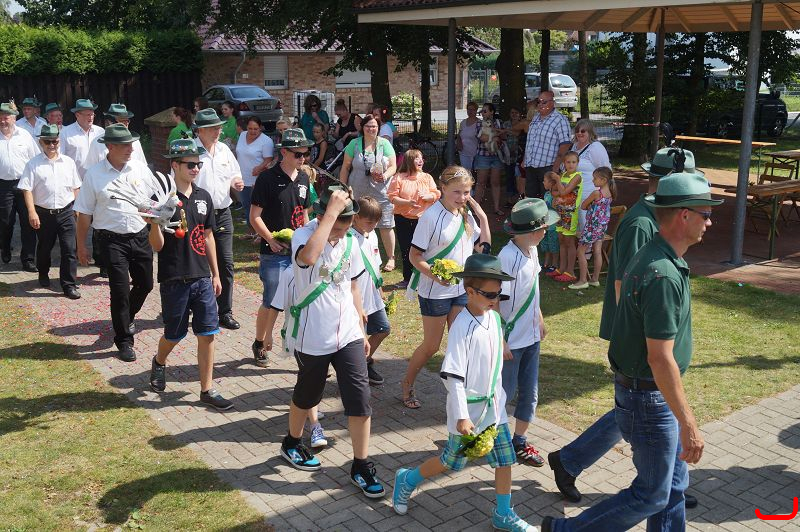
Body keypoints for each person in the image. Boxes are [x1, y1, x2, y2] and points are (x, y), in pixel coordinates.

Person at [540, 170, 719, 532]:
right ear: (684, 215)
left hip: (647, 393)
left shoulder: (656, 255)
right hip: (650, 399)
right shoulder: (663, 274)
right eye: (705, 213)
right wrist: (688, 423)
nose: (710, 222)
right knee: (653, 494)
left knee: (672, 487)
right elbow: (659, 357)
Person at [392, 253, 538, 532]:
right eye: (489, 294)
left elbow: (494, 354)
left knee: (505, 460)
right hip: (469, 411)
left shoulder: (493, 318)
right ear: (469, 292)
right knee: (450, 462)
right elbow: (454, 375)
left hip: (494, 409)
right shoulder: (462, 327)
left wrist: (503, 346)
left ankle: (503, 513)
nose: (495, 299)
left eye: (499, 293)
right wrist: (461, 415)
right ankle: (407, 479)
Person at [279, 183, 385, 501]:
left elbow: (352, 286)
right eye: (337, 223)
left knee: (360, 400)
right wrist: (330, 217)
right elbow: (310, 258)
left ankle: (361, 465)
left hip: (348, 333)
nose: (341, 231)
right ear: (323, 216)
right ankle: (292, 442)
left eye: (346, 223)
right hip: (313, 334)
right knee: (307, 395)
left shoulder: (351, 240)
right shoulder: (303, 235)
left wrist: (361, 329)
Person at [147, 137, 233, 411]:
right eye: (190, 164)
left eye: (198, 164)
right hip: (174, 277)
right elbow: (157, 246)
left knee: (208, 334)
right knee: (174, 334)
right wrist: (155, 223)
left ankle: (207, 389)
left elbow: (207, 237)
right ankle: (159, 361)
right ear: (175, 165)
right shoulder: (162, 199)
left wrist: (215, 274)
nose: (196, 169)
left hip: (202, 278)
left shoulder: (203, 197)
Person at [401, 166, 490, 409]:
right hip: (434, 292)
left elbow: (483, 248)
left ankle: (462, 394)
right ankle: (407, 383)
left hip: (461, 291)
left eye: (466, 192)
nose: (462, 197)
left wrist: (482, 217)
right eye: (457, 192)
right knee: (431, 346)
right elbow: (414, 256)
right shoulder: (430, 217)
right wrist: (436, 276)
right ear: (442, 188)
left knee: (462, 344)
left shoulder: (466, 215)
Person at [75, 124, 156, 362]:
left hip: (139, 235)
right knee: (119, 291)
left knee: (146, 284)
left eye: (131, 144)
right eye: (124, 145)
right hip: (111, 240)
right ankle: (124, 340)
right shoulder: (94, 174)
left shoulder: (140, 169)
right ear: (109, 146)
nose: (130, 149)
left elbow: (154, 200)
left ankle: (125, 317)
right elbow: (84, 213)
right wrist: (81, 245)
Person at [499, 198, 559, 468]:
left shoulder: (532, 250)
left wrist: (540, 317)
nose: (547, 231)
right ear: (533, 232)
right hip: (512, 340)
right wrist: (501, 339)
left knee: (530, 393)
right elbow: (494, 302)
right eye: (544, 228)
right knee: (504, 392)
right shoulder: (507, 258)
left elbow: (531, 289)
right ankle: (491, 436)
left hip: (531, 336)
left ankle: (519, 441)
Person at [249, 128, 313, 367]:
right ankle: (260, 342)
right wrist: (270, 239)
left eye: (305, 154)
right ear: (283, 152)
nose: (302, 159)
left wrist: (309, 241)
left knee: (300, 301)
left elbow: (304, 214)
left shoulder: (304, 178)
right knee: (271, 300)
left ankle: (301, 349)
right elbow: (254, 216)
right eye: (298, 154)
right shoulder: (266, 179)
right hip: (274, 253)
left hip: (298, 252)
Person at [259, 266, 329, 449]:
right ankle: (315, 427)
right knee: (310, 380)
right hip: (300, 336)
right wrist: (268, 334)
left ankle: (308, 409)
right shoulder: (290, 273)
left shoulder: (328, 268)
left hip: (326, 337)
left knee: (314, 379)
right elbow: (276, 306)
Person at [193, 108, 244, 330]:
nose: (218, 131)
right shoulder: (190, 150)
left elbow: (235, 173)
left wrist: (236, 182)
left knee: (226, 263)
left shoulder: (224, 150)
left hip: (222, 213)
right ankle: (199, 307)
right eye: (214, 128)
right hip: (197, 214)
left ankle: (225, 311)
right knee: (197, 264)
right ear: (200, 130)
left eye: (219, 127)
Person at [18, 124, 81, 299]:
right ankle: (43, 272)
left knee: (69, 249)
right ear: (41, 143)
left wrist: (78, 208)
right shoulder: (33, 164)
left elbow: (76, 186)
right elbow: (27, 189)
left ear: (59, 141)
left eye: (55, 141)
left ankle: (68, 285)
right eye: (48, 142)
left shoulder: (68, 162)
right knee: (45, 248)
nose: (52, 145)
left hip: (66, 212)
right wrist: (32, 212)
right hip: (44, 213)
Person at [338, 115, 397, 272]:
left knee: (386, 224)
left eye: (374, 126)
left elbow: (393, 166)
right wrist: (344, 187)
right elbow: (345, 167)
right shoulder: (354, 143)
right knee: (355, 221)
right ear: (362, 128)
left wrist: (385, 176)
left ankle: (391, 258)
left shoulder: (384, 144)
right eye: (368, 126)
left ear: (378, 128)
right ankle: (355, 254)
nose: (371, 129)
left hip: (381, 190)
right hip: (357, 189)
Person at [387, 149, 440, 289]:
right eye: (417, 158)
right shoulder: (399, 178)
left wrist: (428, 197)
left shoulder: (427, 177)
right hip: (402, 219)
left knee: (424, 249)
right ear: (409, 160)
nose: (421, 160)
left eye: (421, 157)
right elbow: (392, 197)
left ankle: (426, 278)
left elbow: (436, 194)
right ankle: (408, 279)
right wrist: (407, 203)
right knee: (406, 249)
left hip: (423, 219)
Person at [352, 195, 391, 386]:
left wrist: (380, 290)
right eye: (369, 222)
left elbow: (375, 265)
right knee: (357, 338)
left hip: (373, 294)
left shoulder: (372, 234)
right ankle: (354, 371)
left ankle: (364, 362)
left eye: (376, 221)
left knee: (383, 328)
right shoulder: (349, 238)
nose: (373, 225)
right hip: (357, 297)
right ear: (355, 218)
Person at [0, 100, 39, 271]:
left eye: (6, 117)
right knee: (5, 222)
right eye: (0, 117)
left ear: (14, 118)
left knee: (28, 222)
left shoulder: (25, 135)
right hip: (3, 185)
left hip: (24, 185)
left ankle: (28, 259)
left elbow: (35, 159)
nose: (3, 120)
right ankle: (5, 247)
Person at [570, 167, 615, 290]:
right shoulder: (610, 193)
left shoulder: (596, 193)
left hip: (591, 227)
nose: (593, 180)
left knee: (580, 251)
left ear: (603, 180)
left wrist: (590, 207)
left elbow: (583, 205)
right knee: (597, 251)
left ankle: (583, 280)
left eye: (595, 178)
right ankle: (595, 279)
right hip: (601, 227)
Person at [522, 91, 571, 199]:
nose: (540, 104)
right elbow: (530, 141)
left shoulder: (560, 120)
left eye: (544, 102)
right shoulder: (536, 117)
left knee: (548, 198)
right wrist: (525, 160)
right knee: (531, 198)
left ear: (552, 103)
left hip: (548, 167)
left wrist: (556, 167)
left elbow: (565, 145)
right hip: (531, 165)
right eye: (538, 102)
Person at [571, 119, 611, 234]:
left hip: (589, 196)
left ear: (590, 132)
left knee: (588, 229)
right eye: (577, 131)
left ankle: (590, 246)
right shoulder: (574, 146)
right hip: (574, 196)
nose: (579, 133)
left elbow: (606, 171)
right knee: (575, 230)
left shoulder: (595, 147)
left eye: (583, 131)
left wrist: (605, 194)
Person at [236, 115, 274, 233]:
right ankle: (252, 231)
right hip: (242, 177)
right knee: (246, 205)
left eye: (255, 129)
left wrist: (259, 168)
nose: (252, 131)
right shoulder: (242, 135)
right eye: (250, 128)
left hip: (257, 179)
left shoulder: (266, 141)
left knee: (257, 207)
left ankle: (261, 233)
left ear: (260, 128)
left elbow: (269, 159)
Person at [551, 152, 582, 284]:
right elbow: (555, 192)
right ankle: (562, 269)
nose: (571, 165)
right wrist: (556, 198)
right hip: (560, 213)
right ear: (564, 163)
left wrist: (558, 181)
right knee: (562, 241)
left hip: (570, 213)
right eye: (568, 162)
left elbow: (564, 192)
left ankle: (571, 272)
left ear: (577, 163)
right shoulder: (563, 175)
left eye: (573, 162)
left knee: (569, 242)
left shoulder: (577, 177)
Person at [60, 99, 105, 179]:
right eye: (88, 115)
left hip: (98, 180)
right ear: (77, 115)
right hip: (76, 181)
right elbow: (60, 158)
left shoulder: (100, 132)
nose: (91, 117)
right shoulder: (65, 133)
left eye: (92, 114)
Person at [474, 102, 505, 217]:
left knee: (495, 183)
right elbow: (482, 137)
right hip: (483, 155)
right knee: (481, 183)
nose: (483, 113)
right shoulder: (479, 123)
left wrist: (496, 136)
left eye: (485, 111)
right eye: (482, 111)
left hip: (496, 156)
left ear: (492, 112)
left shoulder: (498, 122)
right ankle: (476, 209)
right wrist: (495, 135)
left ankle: (496, 208)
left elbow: (503, 136)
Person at [502, 106, 525, 208]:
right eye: (512, 112)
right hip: (508, 155)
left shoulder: (523, 123)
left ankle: (519, 200)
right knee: (509, 177)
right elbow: (502, 135)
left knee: (519, 178)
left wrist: (507, 131)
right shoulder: (506, 124)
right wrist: (507, 132)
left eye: (516, 112)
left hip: (519, 155)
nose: (514, 114)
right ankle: (509, 200)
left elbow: (517, 133)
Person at [540, 173, 560, 273]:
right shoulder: (546, 194)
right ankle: (546, 263)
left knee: (554, 245)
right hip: (546, 225)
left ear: (551, 183)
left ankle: (555, 264)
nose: (543, 182)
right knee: (546, 244)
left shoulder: (555, 196)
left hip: (553, 226)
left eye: (545, 181)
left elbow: (556, 208)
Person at [456, 101, 480, 173]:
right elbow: (459, 135)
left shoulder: (480, 123)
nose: (470, 111)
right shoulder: (463, 122)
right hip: (463, 153)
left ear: (476, 110)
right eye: (469, 109)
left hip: (476, 153)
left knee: (475, 174)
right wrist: (458, 143)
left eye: (472, 109)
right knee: (466, 173)